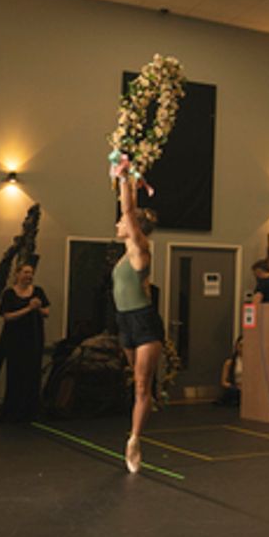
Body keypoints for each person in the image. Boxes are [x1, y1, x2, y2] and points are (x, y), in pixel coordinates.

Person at [113, 175, 163, 474]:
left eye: (122, 222)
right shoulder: (125, 255)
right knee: (137, 384)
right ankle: (146, 408)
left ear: (135, 229)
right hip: (125, 321)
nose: (118, 225)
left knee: (143, 385)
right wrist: (132, 183)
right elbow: (131, 211)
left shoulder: (140, 249)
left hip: (144, 323)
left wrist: (122, 178)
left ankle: (134, 440)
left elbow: (129, 212)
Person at [0, 262, 51, 423]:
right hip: (15, 340)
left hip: (34, 338)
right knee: (15, 374)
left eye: (31, 273)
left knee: (33, 374)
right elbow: (7, 316)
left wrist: (38, 308)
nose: (29, 276)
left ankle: (31, 411)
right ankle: (13, 412)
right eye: (26, 272)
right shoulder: (9, 294)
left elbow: (46, 312)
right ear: (17, 274)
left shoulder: (38, 291)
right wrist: (29, 308)